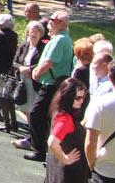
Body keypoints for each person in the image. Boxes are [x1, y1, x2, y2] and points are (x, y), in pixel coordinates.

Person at [22, 10, 75, 162]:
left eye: (53, 20)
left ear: (61, 23)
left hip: (51, 83)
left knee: (36, 113)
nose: (50, 23)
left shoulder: (60, 40)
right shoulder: (61, 38)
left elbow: (49, 62)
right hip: (52, 82)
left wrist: (37, 72)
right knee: (43, 115)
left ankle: (39, 149)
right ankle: (42, 148)